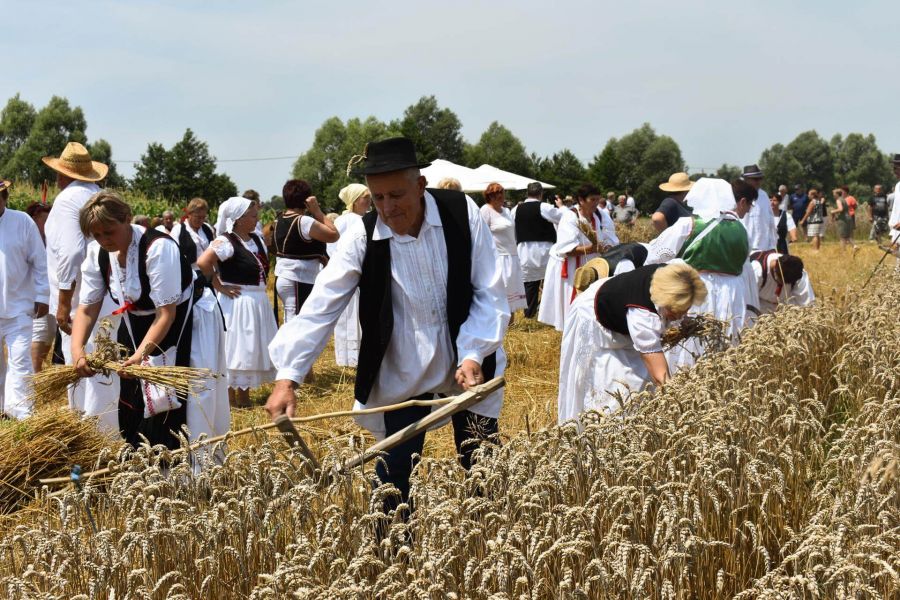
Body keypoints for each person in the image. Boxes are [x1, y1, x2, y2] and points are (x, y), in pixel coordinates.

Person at [266, 137, 509, 521]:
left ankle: (491, 547)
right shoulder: (363, 235)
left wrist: (473, 352)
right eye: (378, 198)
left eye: (396, 195)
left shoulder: (460, 212)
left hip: (469, 367)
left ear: (420, 186)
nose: (387, 208)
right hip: (403, 370)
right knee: (393, 479)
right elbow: (320, 307)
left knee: (482, 465)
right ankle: (392, 560)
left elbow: (489, 290)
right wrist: (288, 377)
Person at [72, 191, 196, 449]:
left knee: (165, 396)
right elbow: (86, 310)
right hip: (135, 322)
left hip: (176, 323)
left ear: (127, 218)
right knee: (131, 393)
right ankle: (136, 453)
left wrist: (140, 355)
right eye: (96, 235)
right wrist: (77, 351)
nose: (104, 240)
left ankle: (171, 464)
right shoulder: (98, 254)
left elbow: (166, 314)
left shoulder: (157, 248)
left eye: (109, 232)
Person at [557, 262, 707, 424]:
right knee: (607, 384)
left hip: (620, 303)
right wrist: (681, 405)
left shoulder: (673, 277)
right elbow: (660, 376)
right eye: (676, 312)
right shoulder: (642, 315)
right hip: (594, 316)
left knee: (637, 383)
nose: (680, 316)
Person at [42, 142, 120, 431]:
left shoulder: (66, 200)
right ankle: (108, 431)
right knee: (104, 365)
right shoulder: (97, 195)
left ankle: (88, 432)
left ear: (61, 174)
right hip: (107, 294)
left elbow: (71, 253)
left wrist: (63, 303)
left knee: (82, 365)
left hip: (80, 300)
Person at [644, 178, 758, 371]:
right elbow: (745, 267)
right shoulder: (740, 228)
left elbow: (655, 255)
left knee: (691, 342)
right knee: (725, 343)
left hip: (698, 291)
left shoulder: (689, 224)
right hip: (732, 295)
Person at [197, 197, 277, 408]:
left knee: (251, 347)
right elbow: (203, 262)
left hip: (257, 301)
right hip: (238, 302)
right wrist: (219, 285)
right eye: (252, 216)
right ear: (239, 219)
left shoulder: (256, 239)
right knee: (239, 348)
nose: (257, 219)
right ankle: (234, 397)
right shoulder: (226, 241)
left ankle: (242, 395)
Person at [169, 196, 229, 444]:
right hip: (187, 282)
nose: (201, 220)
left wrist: (216, 281)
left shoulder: (207, 231)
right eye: (197, 216)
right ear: (189, 214)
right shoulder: (178, 232)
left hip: (204, 282)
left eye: (204, 217)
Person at [538, 183, 619, 331]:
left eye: (597, 199)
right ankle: (572, 331)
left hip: (594, 265)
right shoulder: (570, 216)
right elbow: (566, 249)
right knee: (573, 303)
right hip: (573, 266)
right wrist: (592, 248)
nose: (595, 203)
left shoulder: (601, 215)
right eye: (592, 199)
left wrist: (606, 247)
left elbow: (611, 238)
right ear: (581, 200)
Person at [0, 180, 49, 420]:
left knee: (20, 364)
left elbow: (40, 261)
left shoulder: (22, 222)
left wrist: (42, 295)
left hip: (19, 309)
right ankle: (2, 415)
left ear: (5, 197)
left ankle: (21, 419)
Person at [273, 179, 339, 324]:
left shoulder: (279, 220)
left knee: (292, 318)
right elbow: (334, 235)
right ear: (306, 200)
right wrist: (317, 211)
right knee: (297, 322)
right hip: (298, 277)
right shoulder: (303, 221)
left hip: (285, 275)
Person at [327, 183, 371, 368]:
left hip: (352, 274)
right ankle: (350, 359)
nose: (369, 200)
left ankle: (351, 358)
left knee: (352, 316)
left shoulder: (356, 219)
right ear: (354, 201)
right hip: (350, 274)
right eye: (365, 197)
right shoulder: (349, 221)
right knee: (350, 316)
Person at [512, 182, 565, 318]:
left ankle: (529, 315)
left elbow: (511, 229)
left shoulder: (516, 209)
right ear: (541, 193)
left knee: (530, 285)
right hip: (544, 251)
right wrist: (562, 207)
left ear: (527, 193)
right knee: (549, 283)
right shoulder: (544, 207)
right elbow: (563, 218)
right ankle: (549, 315)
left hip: (524, 251)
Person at [480, 183, 527, 318]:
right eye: (497, 194)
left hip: (512, 255)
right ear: (490, 196)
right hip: (498, 257)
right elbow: (482, 235)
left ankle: (511, 321)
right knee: (502, 288)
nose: (501, 196)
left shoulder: (506, 211)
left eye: (502, 193)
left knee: (512, 288)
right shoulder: (485, 210)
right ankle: (500, 318)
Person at [25, 201, 55, 372]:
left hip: (53, 291)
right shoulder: (28, 234)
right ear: (35, 218)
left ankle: (36, 371)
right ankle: (34, 373)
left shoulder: (51, 238)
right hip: (35, 292)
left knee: (50, 331)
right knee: (40, 330)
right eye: (45, 220)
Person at [749, 251, 815, 314]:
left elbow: (807, 305)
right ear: (775, 272)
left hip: (785, 306)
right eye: (781, 282)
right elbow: (749, 304)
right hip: (759, 304)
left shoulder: (798, 274)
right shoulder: (756, 271)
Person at [739, 164, 777, 253]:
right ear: (746, 180)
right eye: (755, 179)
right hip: (745, 248)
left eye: (760, 179)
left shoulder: (764, 196)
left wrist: (772, 245)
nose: (758, 181)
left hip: (764, 248)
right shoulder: (738, 196)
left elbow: (771, 222)